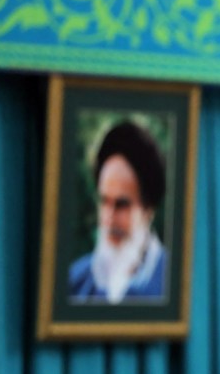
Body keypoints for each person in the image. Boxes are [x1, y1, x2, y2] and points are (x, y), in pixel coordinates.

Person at [68, 120, 168, 304]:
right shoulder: (75, 280)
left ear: (148, 210)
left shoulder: (170, 281)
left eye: (121, 205)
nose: (109, 218)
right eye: (104, 202)